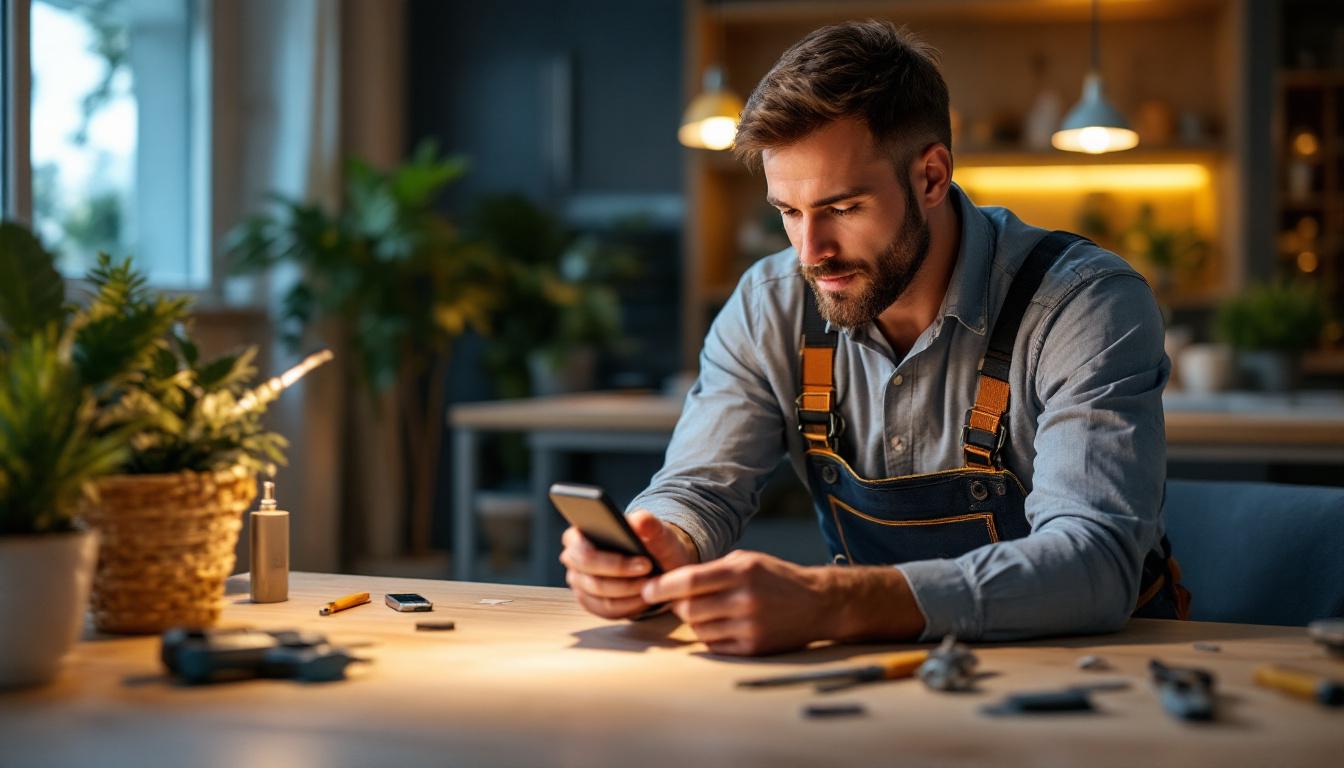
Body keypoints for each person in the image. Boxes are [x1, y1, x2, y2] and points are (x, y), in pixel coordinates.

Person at [559, 19, 1189, 656]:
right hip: (878, 667)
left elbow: (1094, 564)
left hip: (1094, 676)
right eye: (788, 212)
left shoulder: (1083, 304)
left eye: (843, 208)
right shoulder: (768, 303)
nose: (812, 252)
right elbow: (696, 489)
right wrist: (661, 540)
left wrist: (835, 603)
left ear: (932, 177)